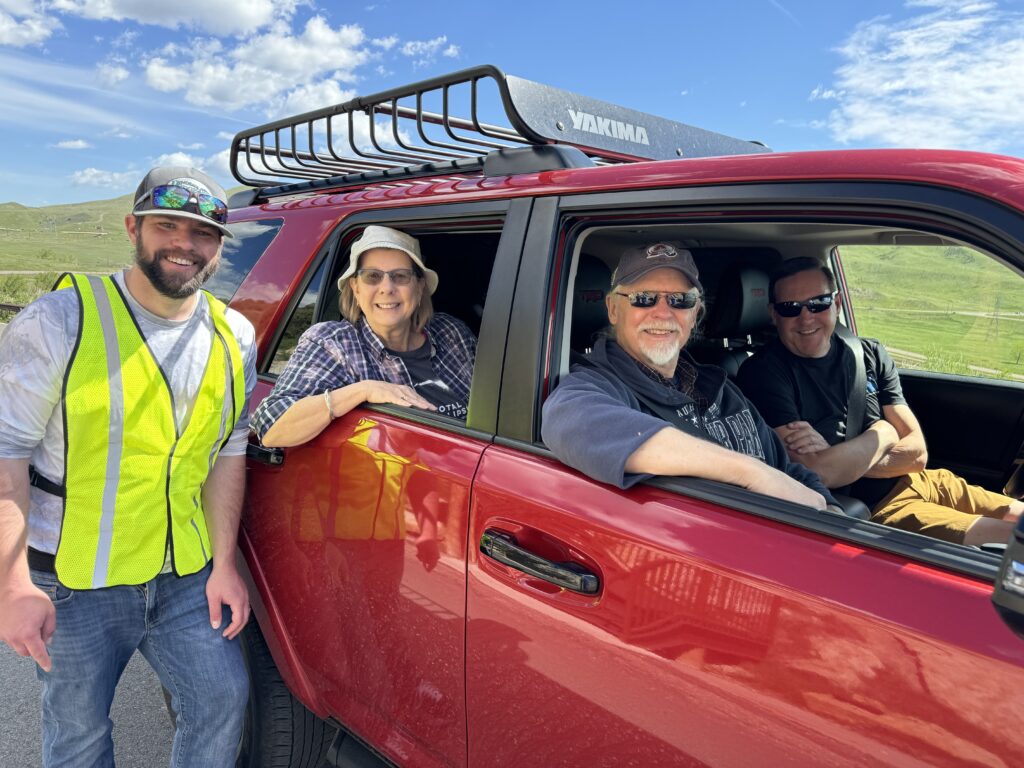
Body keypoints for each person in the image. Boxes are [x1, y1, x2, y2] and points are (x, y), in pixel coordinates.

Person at [0, 166, 257, 767]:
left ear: (219, 246)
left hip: (185, 577)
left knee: (223, 700)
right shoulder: (60, 321)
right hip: (73, 581)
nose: (185, 245)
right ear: (132, 228)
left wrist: (225, 567)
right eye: (167, 225)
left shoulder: (232, 334)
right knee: (78, 734)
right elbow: (6, 454)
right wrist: (12, 585)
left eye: (203, 234)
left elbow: (228, 451)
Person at [737, 257, 1022, 546]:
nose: (806, 317)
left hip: (926, 480)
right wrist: (884, 433)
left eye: (819, 303)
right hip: (879, 509)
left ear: (836, 305)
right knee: (1014, 540)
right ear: (774, 314)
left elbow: (917, 455)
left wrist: (840, 456)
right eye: (790, 308)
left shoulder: (868, 354)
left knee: (1019, 515)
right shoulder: (763, 374)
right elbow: (818, 472)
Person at [542, 242, 835, 509]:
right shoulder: (595, 386)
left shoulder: (722, 388)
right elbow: (569, 420)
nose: (662, 313)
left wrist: (832, 511)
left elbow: (787, 468)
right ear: (613, 309)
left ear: (695, 314)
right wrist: (750, 473)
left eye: (680, 300)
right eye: (643, 298)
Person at [251, 224, 476, 446]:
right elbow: (272, 427)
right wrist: (365, 389)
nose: (387, 288)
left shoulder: (451, 332)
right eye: (372, 276)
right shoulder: (333, 344)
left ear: (419, 288)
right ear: (356, 288)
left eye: (400, 276)